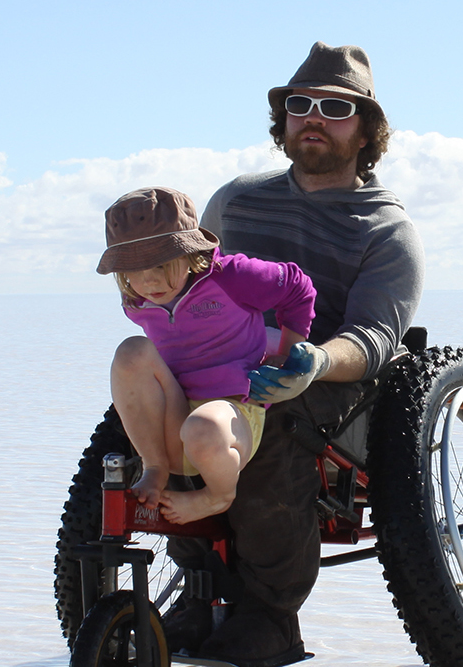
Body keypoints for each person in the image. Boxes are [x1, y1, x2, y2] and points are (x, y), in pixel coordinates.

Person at [158, 42, 423, 667]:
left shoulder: (387, 229)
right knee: (154, 399)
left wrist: (313, 363)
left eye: (336, 108)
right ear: (283, 119)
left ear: (366, 130)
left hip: (331, 381)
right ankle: (198, 586)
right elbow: (186, 286)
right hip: (223, 360)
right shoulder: (236, 200)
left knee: (272, 421)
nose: (313, 118)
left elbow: (374, 338)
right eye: (301, 104)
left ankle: (270, 615)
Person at [97, 186, 317, 525]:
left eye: (161, 264)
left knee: (203, 426)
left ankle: (218, 496)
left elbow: (297, 287)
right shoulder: (136, 302)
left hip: (230, 418)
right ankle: (154, 466)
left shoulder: (232, 277)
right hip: (173, 421)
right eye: (134, 270)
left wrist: (287, 352)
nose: (149, 281)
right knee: (131, 351)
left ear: (189, 252)